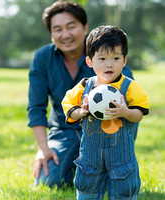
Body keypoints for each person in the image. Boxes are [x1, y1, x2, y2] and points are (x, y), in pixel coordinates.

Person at [27, 1, 135, 188]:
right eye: (57, 29)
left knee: (113, 182)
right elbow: (36, 108)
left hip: (106, 129)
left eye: (71, 26)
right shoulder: (43, 57)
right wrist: (43, 149)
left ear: (85, 27)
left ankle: (110, 162)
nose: (65, 34)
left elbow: (130, 95)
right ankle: (80, 166)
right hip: (64, 131)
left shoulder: (105, 53)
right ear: (51, 34)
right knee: (48, 181)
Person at [62, 25, 149, 199]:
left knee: (123, 191)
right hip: (90, 157)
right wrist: (81, 112)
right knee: (87, 190)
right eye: (101, 58)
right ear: (89, 61)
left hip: (121, 158)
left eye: (115, 58)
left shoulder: (130, 87)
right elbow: (68, 109)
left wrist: (125, 112)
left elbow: (139, 114)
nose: (109, 64)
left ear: (124, 61)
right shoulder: (84, 86)